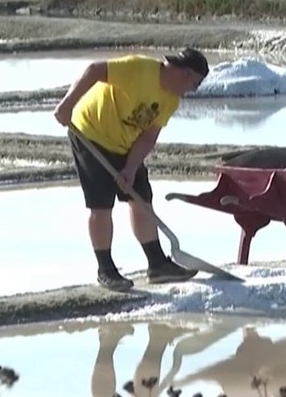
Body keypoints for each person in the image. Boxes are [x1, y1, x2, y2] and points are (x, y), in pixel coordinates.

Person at [51, 48, 210, 291]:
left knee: (141, 200)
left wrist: (130, 168)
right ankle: (106, 270)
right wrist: (67, 105)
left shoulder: (171, 100)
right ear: (184, 73)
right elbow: (94, 70)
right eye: (195, 84)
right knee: (101, 205)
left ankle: (157, 264)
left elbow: (148, 137)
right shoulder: (139, 69)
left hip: (126, 145)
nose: (192, 90)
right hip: (90, 134)